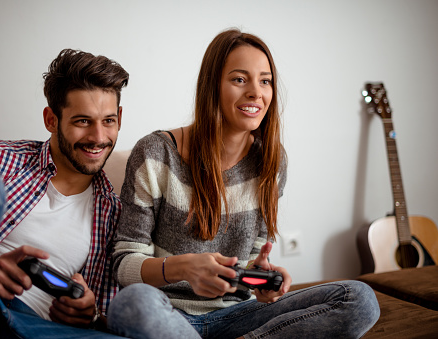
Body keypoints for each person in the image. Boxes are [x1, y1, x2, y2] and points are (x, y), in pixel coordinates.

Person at [107, 28, 380, 339]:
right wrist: (183, 268)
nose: (256, 92)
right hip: (167, 313)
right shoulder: (156, 154)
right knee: (131, 304)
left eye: (265, 81)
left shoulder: (271, 164)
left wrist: (259, 275)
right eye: (239, 79)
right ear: (212, 87)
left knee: (359, 299)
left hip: (238, 314)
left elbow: (247, 262)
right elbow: (124, 264)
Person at [0, 49, 130, 338]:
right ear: (51, 119)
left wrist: (93, 314)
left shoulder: (116, 215)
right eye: (83, 121)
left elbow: (104, 312)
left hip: (38, 328)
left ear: (119, 118)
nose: (99, 138)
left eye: (108, 121)